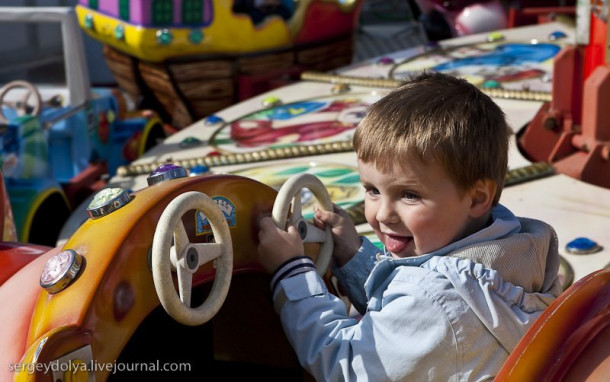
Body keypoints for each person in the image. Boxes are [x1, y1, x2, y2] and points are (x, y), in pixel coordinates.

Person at [257, 71, 561, 381]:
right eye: (372, 190)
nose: (382, 214)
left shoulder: (434, 300)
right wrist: (353, 257)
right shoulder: (515, 249)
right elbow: (406, 312)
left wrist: (292, 273)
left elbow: (344, 366)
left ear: (477, 198)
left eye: (409, 195)